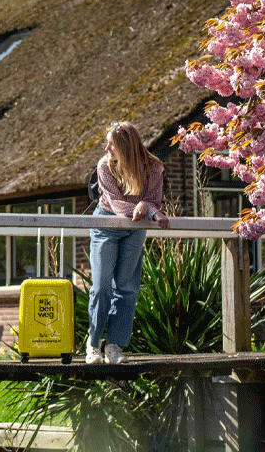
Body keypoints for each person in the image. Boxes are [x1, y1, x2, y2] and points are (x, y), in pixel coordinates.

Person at [86, 121, 170, 364]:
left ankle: (114, 346)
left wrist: (149, 206)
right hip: (107, 226)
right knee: (102, 287)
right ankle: (93, 345)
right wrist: (148, 208)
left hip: (135, 229)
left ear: (125, 147)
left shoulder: (153, 168)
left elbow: (154, 199)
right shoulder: (105, 166)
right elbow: (117, 205)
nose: (106, 149)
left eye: (111, 145)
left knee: (127, 288)